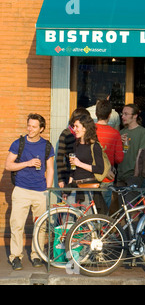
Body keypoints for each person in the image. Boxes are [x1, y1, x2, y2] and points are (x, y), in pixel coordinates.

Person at [5, 113, 55, 270]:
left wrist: (47, 189)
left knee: (40, 226)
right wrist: (27, 163)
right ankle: (15, 257)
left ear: (41, 129)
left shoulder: (47, 146)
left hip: (40, 192)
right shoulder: (18, 143)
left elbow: (51, 169)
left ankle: (36, 255)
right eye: (29, 125)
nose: (30, 129)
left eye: (34, 127)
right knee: (17, 226)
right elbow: (8, 165)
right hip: (21, 190)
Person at [69, 114, 108, 215]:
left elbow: (100, 169)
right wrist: (68, 185)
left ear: (85, 128)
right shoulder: (76, 144)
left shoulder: (94, 146)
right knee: (70, 223)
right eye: (74, 126)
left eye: (77, 126)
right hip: (75, 188)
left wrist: (79, 163)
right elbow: (74, 169)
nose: (74, 129)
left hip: (88, 189)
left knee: (87, 225)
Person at [56, 107, 91, 202]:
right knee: (68, 208)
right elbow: (60, 158)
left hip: (84, 178)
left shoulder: (86, 136)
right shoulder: (66, 133)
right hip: (69, 176)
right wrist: (61, 179)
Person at [95, 99, 124, 208]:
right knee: (103, 210)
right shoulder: (115, 133)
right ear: (110, 115)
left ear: (96, 113)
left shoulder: (89, 130)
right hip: (107, 176)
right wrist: (124, 148)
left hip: (91, 175)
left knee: (90, 210)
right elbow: (119, 159)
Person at [117, 104, 145, 187]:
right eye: (122, 114)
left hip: (134, 176)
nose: (122, 116)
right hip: (120, 176)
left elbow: (141, 155)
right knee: (121, 200)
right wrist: (118, 141)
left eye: (126, 114)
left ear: (135, 116)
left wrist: (136, 176)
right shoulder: (121, 132)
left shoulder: (143, 133)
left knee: (133, 200)